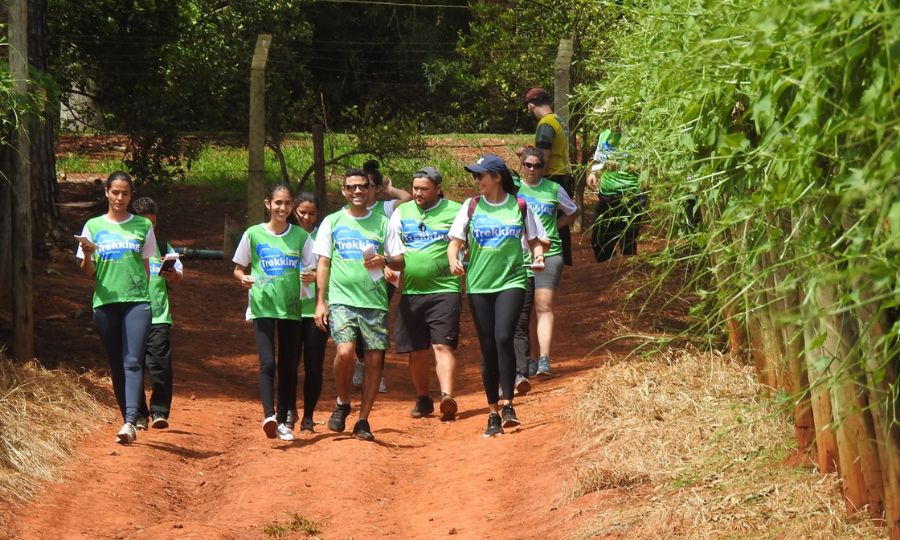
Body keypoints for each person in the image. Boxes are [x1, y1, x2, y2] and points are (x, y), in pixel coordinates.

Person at [447, 154, 548, 437]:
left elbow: (535, 242)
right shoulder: (471, 206)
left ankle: (508, 405)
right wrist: (454, 260)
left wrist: (538, 256)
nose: (476, 180)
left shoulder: (519, 206)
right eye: (475, 176)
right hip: (479, 285)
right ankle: (492, 412)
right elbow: (455, 242)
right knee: (488, 347)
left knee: (504, 337)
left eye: (480, 175)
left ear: (497, 177)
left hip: (512, 281)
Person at [314, 169, 406, 441]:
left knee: (375, 360)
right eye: (351, 187)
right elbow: (323, 262)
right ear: (343, 191)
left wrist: (385, 261)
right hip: (342, 299)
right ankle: (343, 401)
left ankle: (364, 419)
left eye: (362, 187)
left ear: (371, 190)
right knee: (345, 352)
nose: (357, 192)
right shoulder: (332, 222)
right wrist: (321, 301)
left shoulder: (382, 223)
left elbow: (400, 260)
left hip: (375, 302)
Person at [76, 171, 158, 445]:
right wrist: (88, 254)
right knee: (116, 364)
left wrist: (143, 296)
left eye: (125, 193)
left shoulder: (143, 227)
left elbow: (147, 267)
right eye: (115, 192)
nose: (120, 197)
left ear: (130, 196)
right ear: (107, 193)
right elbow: (88, 273)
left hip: (136, 302)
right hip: (105, 304)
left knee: (133, 361)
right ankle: (128, 417)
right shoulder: (93, 226)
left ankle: (131, 422)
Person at [233, 183, 315, 442]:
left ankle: (282, 420)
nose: (282, 208)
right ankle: (269, 415)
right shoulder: (253, 234)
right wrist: (242, 278)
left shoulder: (301, 237)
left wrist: (310, 277)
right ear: (268, 204)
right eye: (278, 203)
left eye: (287, 203)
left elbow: (314, 270)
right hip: (262, 306)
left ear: (292, 206)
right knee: (267, 363)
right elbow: (238, 267)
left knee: (288, 365)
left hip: (292, 309)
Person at [387, 166, 462, 421]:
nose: (418, 193)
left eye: (424, 189)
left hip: (445, 289)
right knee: (416, 350)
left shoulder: (455, 211)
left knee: (443, 345)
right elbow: (393, 246)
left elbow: (467, 243)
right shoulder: (402, 212)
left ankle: (447, 396)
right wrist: (390, 269)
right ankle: (423, 398)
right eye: (415, 188)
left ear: (438, 189)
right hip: (411, 292)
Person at [514, 148, 579, 381]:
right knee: (525, 309)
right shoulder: (514, 188)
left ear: (544, 168)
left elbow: (572, 211)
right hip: (519, 256)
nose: (532, 169)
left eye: (537, 165)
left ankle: (543, 358)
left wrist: (553, 229)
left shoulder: (553, 189)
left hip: (549, 254)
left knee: (544, 305)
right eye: (528, 165)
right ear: (521, 165)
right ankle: (528, 358)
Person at [351, 159, 413, 393]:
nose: (362, 190)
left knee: (377, 320)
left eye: (368, 185)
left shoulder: (385, 208)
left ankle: (377, 372)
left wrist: (390, 189)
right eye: (359, 186)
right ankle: (361, 361)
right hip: (355, 274)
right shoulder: (346, 213)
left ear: (374, 188)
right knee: (355, 322)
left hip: (384, 272)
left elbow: (407, 199)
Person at [131, 197, 183, 431]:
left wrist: (173, 274)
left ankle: (160, 411)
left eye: (153, 223)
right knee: (135, 367)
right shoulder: (129, 247)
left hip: (159, 316)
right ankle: (138, 416)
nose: (150, 228)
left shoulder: (163, 247)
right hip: (131, 314)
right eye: (145, 224)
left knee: (160, 366)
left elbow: (179, 273)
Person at [284, 192, 327, 433]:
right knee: (290, 363)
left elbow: (332, 266)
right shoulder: (286, 233)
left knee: (314, 365)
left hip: (316, 310)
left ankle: (309, 415)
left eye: (312, 213)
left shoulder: (323, 235)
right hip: (289, 309)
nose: (307, 218)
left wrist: (316, 277)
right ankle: (289, 410)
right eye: (303, 213)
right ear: (294, 211)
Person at [524, 86, 574, 266]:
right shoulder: (558, 120)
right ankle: (564, 261)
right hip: (562, 175)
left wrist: (533, 174)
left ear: (531, 106)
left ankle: (556, 260)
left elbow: (543, 157)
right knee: (562, 223)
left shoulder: (545, 124)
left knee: (549, 220)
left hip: (552, 177)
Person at [586, 127, 645, 262]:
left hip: (631, 195)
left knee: (627, 242)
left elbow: (646, 163)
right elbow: (599, 159)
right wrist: (593, 173)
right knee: (599, 240)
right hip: (607, 196)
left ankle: (626, 277)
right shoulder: (605, 134)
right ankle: (606, 272)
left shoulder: (639, 134)